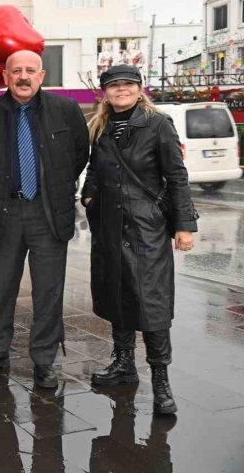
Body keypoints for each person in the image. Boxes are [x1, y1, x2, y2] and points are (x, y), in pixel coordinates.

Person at [81, 64, 198, 415]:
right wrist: (88, 195)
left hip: (146, 229)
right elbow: (94, 169)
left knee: (152, 304)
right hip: (109, 227)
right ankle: (124, 364)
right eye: (114, 85)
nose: (121, 90)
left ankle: (161, 379)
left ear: (139, 88)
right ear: (105, 91)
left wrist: (184, 225)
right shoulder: (100, 126)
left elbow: (177, 176)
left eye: (128, 84)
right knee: (118, 295)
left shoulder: (157, 124)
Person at [0, 50, 89, 388]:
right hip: (5, 214)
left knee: (48, 291)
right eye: (16, 71)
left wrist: (56, 188)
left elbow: (80, 154)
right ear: (5, 77)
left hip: (48, 215)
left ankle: (44, 360)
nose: (23, 77)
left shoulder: (65, 110)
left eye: (30, 71)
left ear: (42, 74)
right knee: (2, 288)